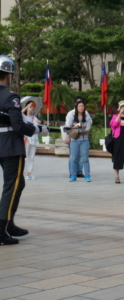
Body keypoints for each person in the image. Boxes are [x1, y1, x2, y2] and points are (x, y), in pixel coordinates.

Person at [0, 55, 48, 245]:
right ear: (8, 76)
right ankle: (2, 229)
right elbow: (18, 126)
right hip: (11, 145)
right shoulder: (11, 96)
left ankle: (9, 223)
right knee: (12, 187)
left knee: (17, 185)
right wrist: (38, 128)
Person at [66, 101, 92, 182]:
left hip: (84, 141)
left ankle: (87, 175)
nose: (81, 108)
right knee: (74, 158)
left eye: (82, 106)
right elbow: (68, 127)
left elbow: (87, 129)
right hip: (74, 141)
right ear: (76, 108)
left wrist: (80, 130)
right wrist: (76, 127)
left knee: (85, 159)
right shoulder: (72, 116)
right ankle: (73, 175)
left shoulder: (87, 117)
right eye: (80, 106)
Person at [21, 100, 40, 180]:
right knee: (25, 156)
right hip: (26, 138)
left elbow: (37, 127)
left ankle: (29, 172)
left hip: (34, 138)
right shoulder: (23, 117)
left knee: (31, 156)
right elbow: (19, 114)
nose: (31, 108)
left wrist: (38, 123)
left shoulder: (34, 118)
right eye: (30, 106)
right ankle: (23, 173)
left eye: (33, 106)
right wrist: (26, 107)